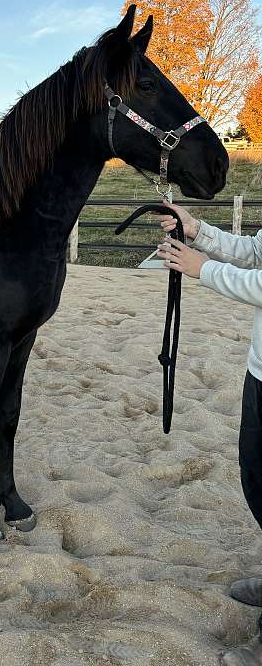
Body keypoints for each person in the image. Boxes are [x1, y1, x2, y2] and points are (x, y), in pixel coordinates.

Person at [157, 200, 262, 666]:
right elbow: (255, 253)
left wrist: (204, 270)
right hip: (260, 372)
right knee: (256, 481)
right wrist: (199, 232)